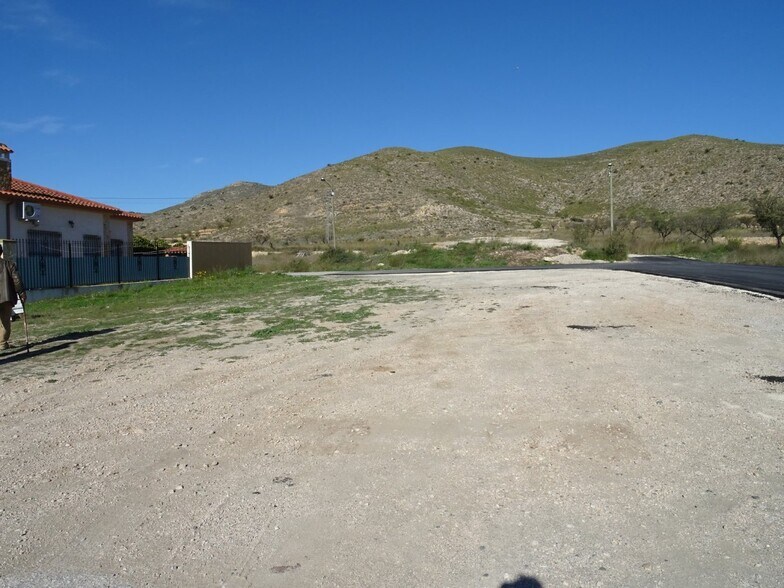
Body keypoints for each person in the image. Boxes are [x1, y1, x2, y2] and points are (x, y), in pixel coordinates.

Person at [0, 243, 26, 350]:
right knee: (5, 321)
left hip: (6, 298)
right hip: (6, 298)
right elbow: (17, 280)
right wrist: (21, 293)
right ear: (1, 252)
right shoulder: (9, 264)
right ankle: (2, 343)